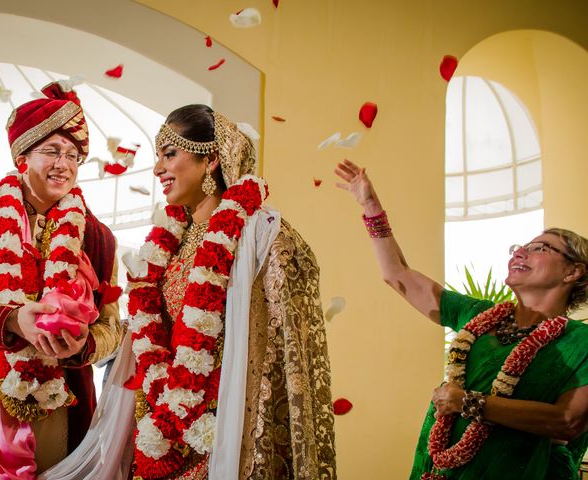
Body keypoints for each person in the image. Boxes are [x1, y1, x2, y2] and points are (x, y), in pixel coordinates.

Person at [41, 104, 336, 480]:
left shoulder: (258, 236)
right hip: (154, 424)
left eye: (169, 154)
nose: (157, 169)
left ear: (210, 159)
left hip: (218, 428)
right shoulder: (167, 244)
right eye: (157, 157)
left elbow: (281, 345)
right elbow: (146, 332)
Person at [334, 158, 588, 479]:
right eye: (518, 247)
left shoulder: (580, 342)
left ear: (573, 271)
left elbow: (568, 421)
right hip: (439, 469)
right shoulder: (480, 315)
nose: (519, 252)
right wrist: (370, 205)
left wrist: (467, 402)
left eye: (540, 248)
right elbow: (397, 274)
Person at [0, 82, 122, 479]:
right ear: (22, 157)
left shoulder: (98, 239)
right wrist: (10, 320)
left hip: (65, 392)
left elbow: (111, 324)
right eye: (51, 152)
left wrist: (84, 344)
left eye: (73, 155)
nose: (64, 164)